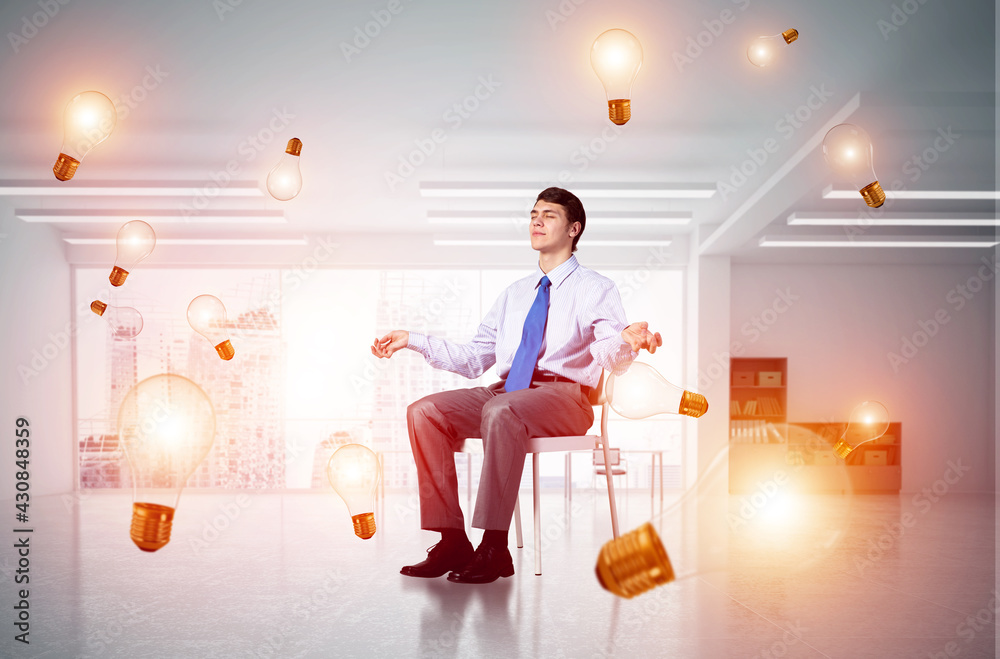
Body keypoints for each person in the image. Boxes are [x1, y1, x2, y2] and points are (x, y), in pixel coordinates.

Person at [371, 187, 662, 584]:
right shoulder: (515, 294)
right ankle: (453, 539)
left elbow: (608, 351)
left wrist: (628, 341)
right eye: (533, 214)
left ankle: (494, 546)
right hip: (507, 393)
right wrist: (414, 339)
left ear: (574, 229)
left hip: (564, 398)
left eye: (549, 215)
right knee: (425, 412)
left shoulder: (596, 288)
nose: (537, 221)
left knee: (500, 410)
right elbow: (474, 358)